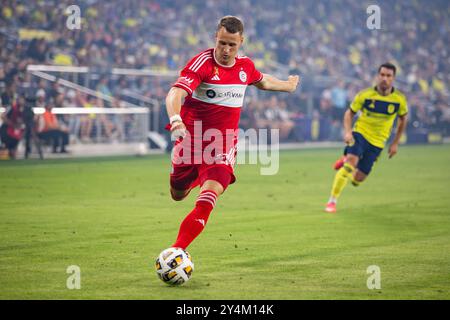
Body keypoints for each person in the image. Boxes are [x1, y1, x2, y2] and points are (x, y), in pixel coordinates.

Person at [164, 16, 299, 250]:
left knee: (208, 199)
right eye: (222, 43)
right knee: (177, 193)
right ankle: (196, 177)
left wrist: (287, 85)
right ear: (216, 38)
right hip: (191, 141)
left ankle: (176, 251)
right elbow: (175, 93)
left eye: (232, 45)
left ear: (241, 42)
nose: (226, 50)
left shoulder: (245, 66)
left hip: (222, 145)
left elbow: (262, 80)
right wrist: (176, 119)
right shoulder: (201, 64)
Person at [325, 63, 408, 213]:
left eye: (388, 76)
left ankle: (345, 161)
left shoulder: (399, 100)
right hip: (360, 133)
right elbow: (349, 113)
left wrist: (395, 143)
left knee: (358, 180)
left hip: (378, 142)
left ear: (393, 78)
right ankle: (332, 201)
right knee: (350, 165)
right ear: (378, 76)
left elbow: (403, 119)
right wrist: (348, 132)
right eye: (382, 75)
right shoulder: (365, 95)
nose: (384, 79)